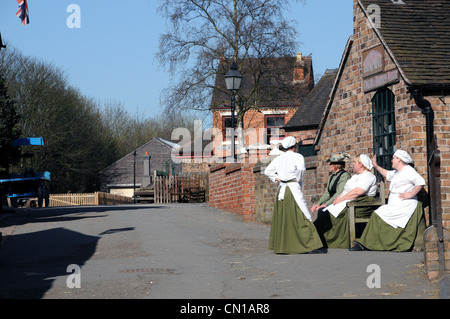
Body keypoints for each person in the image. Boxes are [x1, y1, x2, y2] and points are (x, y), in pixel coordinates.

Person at [351, 150, 426, 252]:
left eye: (394, 158)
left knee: (377, 214)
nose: (391, 160)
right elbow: (386, 173)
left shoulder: (408, 170)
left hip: (404, 205)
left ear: (399, 160)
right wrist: (376, 166)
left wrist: (411, 194)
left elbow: (420, 182)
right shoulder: (397, 172)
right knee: (378, 213)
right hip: (395, 205)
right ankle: (367, 242)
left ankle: (366, 243)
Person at [264, 136, 324, 254]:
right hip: (292, 188)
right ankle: (309, 243)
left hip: (282, 191)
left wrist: (278, 179)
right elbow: (301, 169)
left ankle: (284, 246)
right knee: (302, 215)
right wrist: (297, 178)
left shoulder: (279, 158)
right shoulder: (298, 156)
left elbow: (267, 171)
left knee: (285, 218)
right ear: (295, 146)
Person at [314, 154, 378, 248]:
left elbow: (357, 192)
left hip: (360, 203)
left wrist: (341, 199)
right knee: (325, 211)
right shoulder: (355, 176)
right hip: (349, 200)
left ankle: (328, 240)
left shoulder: (368, 176)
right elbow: (346, 190)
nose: (353, 164)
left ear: (361, 165)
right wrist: (337, 199)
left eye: (355, 162)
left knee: (333, 214)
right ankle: (318, 238)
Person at [311, 152, 351, 217]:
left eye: (332, 163)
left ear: (338, 164)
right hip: (332, 202)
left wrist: (326, 204)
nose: (330, 164)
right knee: (320, 211)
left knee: (324, 213)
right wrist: (318, 203)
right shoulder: (332, 176)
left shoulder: (345, 176)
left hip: (339, 202)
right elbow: (327, 193)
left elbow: (339, 193)